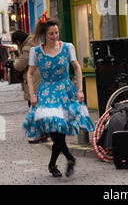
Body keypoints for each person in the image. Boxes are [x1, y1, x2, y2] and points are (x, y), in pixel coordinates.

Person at [23, 12, 95, 178]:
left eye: (56, 32)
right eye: (51, 33)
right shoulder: (36, 51)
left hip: (65, 91)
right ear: (44, 35)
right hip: (47, 92)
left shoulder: (68, 47)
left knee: (59, 132)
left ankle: (52, 164)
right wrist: (32, 94)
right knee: (54, 128)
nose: (55, 36)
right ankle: (70, 158)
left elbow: (77, 67)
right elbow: (29, 73)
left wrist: (80, 89)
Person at [11, 30, 47, 144]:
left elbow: (19, 65)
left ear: (18, 41)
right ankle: (45, 132)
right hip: (41, 79)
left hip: (35, 81)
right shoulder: (34, 41)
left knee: (35, 108)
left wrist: (13, 62)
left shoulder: (27, 48)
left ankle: (40, 134)